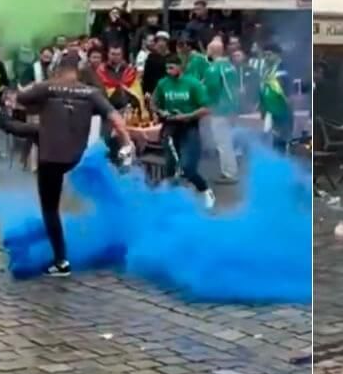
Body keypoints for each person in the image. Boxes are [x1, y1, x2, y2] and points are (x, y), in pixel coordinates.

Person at [15, 55, 134, 277]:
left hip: (51, 158)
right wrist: (127, 142)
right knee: (83, 200)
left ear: (58, 69)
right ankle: (110, 237)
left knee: (50, 209)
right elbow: (115, 118)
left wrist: (35, 99)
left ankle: (61, 261)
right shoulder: (91, 93)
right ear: (77, 71)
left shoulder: (47, 87)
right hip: (76, 157)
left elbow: (21, 98)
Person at [152, 54, 216, 209]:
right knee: (170, 166)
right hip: (170, 128)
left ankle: (205, 190)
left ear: (180, 67)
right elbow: (153, 102)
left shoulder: (193, 84)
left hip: (189, 127)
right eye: (166, 68)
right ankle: (172, 202)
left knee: (188, 167)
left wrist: (187, 116)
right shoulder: (163, 84)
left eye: (172, 67)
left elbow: (206, 108)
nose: (168, 71)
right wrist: (160, 112)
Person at [203, 38, 240, 183]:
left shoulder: (212, 69)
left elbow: (210, 91)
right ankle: (231, 170)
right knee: (228, 141)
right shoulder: (230, 66)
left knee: (222, 143)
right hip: (232, 108)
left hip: (220, 111)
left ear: (212, 51)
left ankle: (229, 173)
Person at [258, 43, 294, 152]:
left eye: (269, 55)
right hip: (271, 110)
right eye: (265, 55)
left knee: (280, 140)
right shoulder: (268, 69)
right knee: (272, 140)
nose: (266, 58)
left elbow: (287, 91)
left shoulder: (283, 69)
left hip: (281, 110)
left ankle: (282, 163)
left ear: (277, 55)